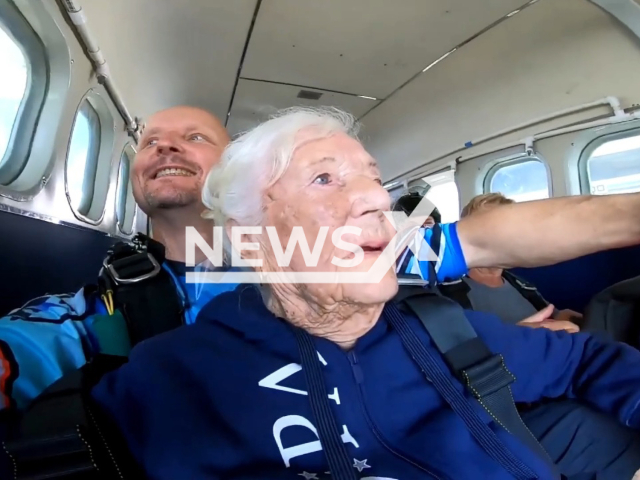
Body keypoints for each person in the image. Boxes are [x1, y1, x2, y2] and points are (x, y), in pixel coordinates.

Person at [92, 107, 640, 480]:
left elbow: (488, 242)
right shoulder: (169, 370)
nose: (378, 197)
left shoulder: (437, 321)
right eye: (325, 179)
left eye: (374, 179)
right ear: (248, 231)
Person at [0, 105, 238, 410]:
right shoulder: (103, 307)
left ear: (238, 168)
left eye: (195, 137)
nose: (164, 146)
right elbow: (33, 344)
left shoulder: (294, 280)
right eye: (150, 142)